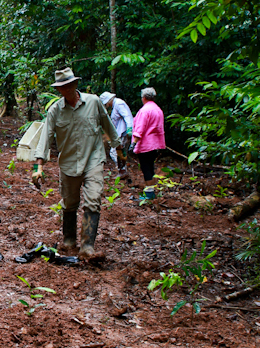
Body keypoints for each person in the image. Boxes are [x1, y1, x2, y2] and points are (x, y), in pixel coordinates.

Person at [31, 68, 119, 260]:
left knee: (93, 201)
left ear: (75, 84)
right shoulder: (55, 111)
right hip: (69, 163)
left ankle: (87, 246)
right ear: (59, 90)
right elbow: (44, 138)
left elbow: (108, 125)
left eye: (69, 85)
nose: (66, 89)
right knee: (70, 204)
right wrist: (38, 167)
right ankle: (69, 240)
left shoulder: (94, 102)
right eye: (62, 87)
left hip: (93, 160)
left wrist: (119, 149)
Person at [131, 87, 166, 200]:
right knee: (151, 167)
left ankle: (149, 195)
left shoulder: (145, 110)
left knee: (146, 169)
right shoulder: (158, 110)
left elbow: (140, 128)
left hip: (146, 144)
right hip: (156, 144)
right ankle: (152, 191)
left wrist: (134, 143)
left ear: (144, 97)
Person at [99, 92, 134, 177]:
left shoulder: (119, 103)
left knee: (115, 152)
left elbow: (127, 116)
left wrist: (130, 128)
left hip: (122, 131)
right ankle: (122, 170)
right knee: (119, 152)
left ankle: (122, 170)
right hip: (120, 132)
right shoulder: (115, 105)